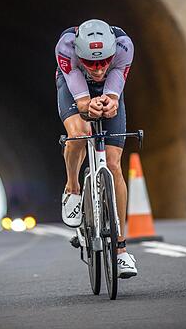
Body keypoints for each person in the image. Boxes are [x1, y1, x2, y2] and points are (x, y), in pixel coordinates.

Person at [55, 19, 137, 278]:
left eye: (103, 62)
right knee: (79, 134)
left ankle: (121, 249)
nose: (99, 69)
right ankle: (73, 187)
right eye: (91, 62)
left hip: (108, 90)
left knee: (113, 165)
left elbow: (113, 92)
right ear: (80, 53)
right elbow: (80, 98)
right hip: (73, 85)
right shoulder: (66, 47)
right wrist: (86, 104)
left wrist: (110, 101)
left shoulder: (124, 47)